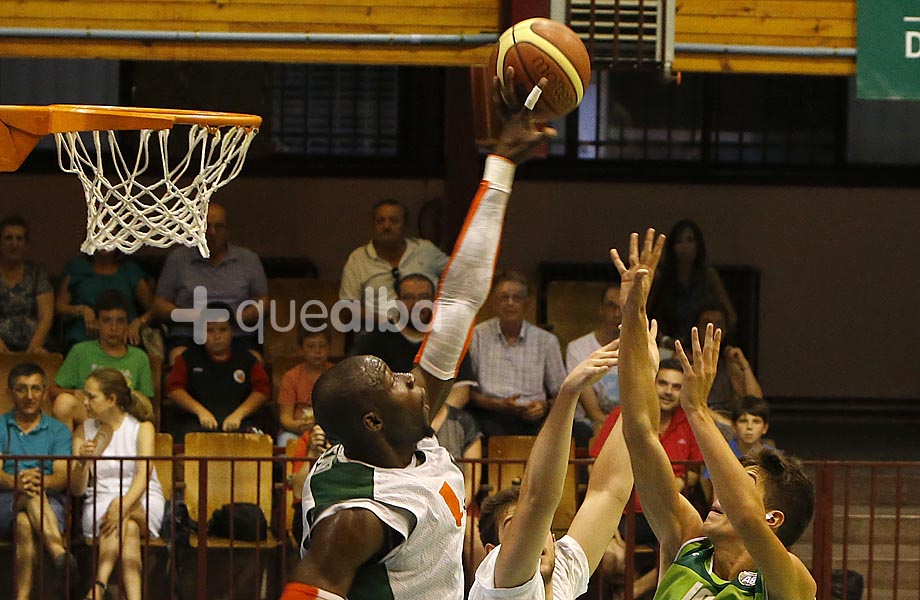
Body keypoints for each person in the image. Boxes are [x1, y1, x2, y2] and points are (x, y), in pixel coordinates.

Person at [281, 72, 556, 600]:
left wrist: (500, 164)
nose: (412, 375)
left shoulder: (402, 429)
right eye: (394, 379)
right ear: (373, 419)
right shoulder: (356, 516)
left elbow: (457, 302)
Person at [613, 228, 815, 600]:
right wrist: (633, 315)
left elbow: (747, 518)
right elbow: (640, 432)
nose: (722, 486)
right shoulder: (687, 539)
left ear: (773, 519)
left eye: (744, 479)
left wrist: (697, 409)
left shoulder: (791, 582)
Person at [469, 340, 632, 600]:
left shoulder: (561, 574)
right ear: (492, 554)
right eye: (513, 524)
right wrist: (569, 393)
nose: (536, 532)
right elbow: (537, 501)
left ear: (555, 543)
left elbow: (609, 491)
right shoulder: (500, 585)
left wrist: (640, 378)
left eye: (545, 529)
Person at [589, 357, 703, 598]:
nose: (669, 392)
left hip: (663, 513)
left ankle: (631, 593)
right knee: (610, 558)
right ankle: (631, 591)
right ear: (652, 384)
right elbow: (595, 468)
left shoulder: (689, 420)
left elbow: (693, 475)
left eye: (676, 386)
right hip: (619, 512)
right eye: (663, 384)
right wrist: (606, 521)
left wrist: (678, 486)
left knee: (689, 553)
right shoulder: (624, 414)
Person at [69, 367, 165, 600]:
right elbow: (77, 489)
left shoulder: (142, 428)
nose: (85, 401)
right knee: (128, 529)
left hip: (142, 497)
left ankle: (98, 586)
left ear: (111, 399)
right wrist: (82, 463)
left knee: (123, 515)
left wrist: (123, 504)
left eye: (91, 397)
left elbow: (143, 475)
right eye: (84, 395)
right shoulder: (83, 430)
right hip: (100, 499)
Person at [0, 362, 75, 600]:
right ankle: (58, 553)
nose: (29, 396)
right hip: (5, 501)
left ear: (44, 392)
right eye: (21, 389)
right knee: (28, 495)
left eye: (35, 389)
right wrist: (17, 483)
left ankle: (21, 598)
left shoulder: (59, 431)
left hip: (50, 505)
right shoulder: (0, 425)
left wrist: (41, 481)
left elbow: (63, 476)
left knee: (24, 522)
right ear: (9, 392)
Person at [152, 203, 269, 350]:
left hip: (237, 336)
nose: (212, 232)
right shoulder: (178, 259)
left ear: (227, 231)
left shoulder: (248, 259)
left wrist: (231, 320)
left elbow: (263, 302)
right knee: (178, 359)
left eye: (218, 226)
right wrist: (195, 317)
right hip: (189, 336)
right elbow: (159, 305)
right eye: (206, 226)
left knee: (254, 361)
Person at [468, 271, 566, 439]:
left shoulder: (546, 341)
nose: (510, 303)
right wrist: (499, 405)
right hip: (491, 414)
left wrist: (544, 406)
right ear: (493, 302)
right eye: (504, 297)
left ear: (526, 303)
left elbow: (561, 392)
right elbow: (468, 392)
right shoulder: (477, 335)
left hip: (535, 416)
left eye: (517, 298)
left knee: (575, 431)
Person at [165, 304, 271, 442]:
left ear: (232, 331)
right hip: (195, 424)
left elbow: (262, 390)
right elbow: (174, 389)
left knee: (260, 443)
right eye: (210, 330)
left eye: (223, 329)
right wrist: (200, 411)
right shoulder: (187, 358)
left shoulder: (247, 359)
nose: (217, 336)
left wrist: (239, 415)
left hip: (241, 423)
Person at [53, 290, 155, 431]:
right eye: (107, 321)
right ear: (97, 323)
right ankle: (67, 452)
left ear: (127, 324)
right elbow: (53, 390)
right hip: (89, 418)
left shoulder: (139, 357)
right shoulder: (80, 351)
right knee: (63, 402)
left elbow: (147, 404)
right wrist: (76, 393)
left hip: (123, 422)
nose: (114, 328)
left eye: (120, 321)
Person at [339, 199, 448, 325]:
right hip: (379, 330)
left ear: (405, 225)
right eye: (380, 221)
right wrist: (391, 323)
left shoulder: (425, 250)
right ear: (373, 225)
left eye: (394, 221)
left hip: (426, 329)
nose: (386, 226)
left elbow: (461, 275)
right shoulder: (358, 258)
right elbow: (347, 308)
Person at [648, 219, 737, 345]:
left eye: (690, 240)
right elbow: (645, 314)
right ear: (672, 247)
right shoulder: (660, 277)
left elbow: (730, 316)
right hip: (664, 344)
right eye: (679, 241)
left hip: (701, 344)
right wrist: (665, 341)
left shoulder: (708, 276)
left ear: (697, 245)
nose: (684, 246)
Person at [55, 250, 155, 349]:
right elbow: (60, 307)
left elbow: (155, 308)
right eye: (98, 233)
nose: (104, 239)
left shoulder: (129, 270)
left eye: (110, 234)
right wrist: (81, 310)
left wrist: (139, 322)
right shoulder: (76, 267)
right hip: (84, 337)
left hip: (125, 338)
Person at [566, 283, 622, 445]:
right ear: (601, 309)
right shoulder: (578, 348)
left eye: (622, 307)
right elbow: (593, 411)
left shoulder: (640, 348)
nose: (617, 313)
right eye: (611, 306)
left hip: (627, 422)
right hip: (590, 424)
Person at [695, 304, 763, 427]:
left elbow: (755, 402)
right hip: (696, 420)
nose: (713, 329)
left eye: (719, 324)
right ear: (697, 328)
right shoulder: (682, 358)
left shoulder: (729, 360)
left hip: (726, 423)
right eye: (707, 324)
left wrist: (744, 365)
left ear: (725, 330)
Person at [702, 396, 776, 503]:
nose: (749, 427)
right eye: (743, 421)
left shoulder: (774, 456)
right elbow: (710, 486)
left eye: (756, 421)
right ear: (734, 426)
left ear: (765, 428)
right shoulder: (720, 453)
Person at [0, 215, 54, 353]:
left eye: (19, 239)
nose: (14, 244)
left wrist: (32, 350)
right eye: (8, 238)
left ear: (26, 245)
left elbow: (46, 316)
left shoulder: (37, 273)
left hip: (34, 345)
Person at [277, 328, 334, 447]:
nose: (317, 351)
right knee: (285, 442)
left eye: (322, 346)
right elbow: (285, 418)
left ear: (329, 348)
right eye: (310, 346)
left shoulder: (338, 374)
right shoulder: (291, 377)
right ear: (301, 349)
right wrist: (302, 426)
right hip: (298, 432)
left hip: (331, 432)